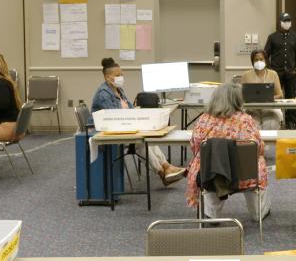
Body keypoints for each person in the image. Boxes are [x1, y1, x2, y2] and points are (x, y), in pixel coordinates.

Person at [91, 58, 184, 186]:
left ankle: (166, 167)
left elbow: (130, 109)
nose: (121, 77)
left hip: (121, 129)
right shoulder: (104, 94)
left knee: (147, 138)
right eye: (118, 75)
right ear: (108, 77)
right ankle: (162, 172)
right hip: (106, 133)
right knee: (140, 142)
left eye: (121, 74)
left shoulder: (119, 91)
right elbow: (114, 117)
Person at [186, 83, 270, 219]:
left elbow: (195, 146)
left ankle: (211, 214)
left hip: (213, 175)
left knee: (207, 164)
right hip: (246, 175)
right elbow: (258, 148)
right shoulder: (246, 120)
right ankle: (258, 212)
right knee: (258, 161)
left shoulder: (204, 119)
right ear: (237, 100)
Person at [240, 49, 284, 130]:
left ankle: (269, 142)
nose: (259, 62)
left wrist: (270, 98)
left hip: (270, 108)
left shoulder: (273, 74)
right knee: (253, 125)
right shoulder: (246, 75)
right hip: (252, 109)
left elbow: (280, 95)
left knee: (270, 124)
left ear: (266, 61)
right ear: (252, 62)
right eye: (256, 60)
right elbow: (240, 95)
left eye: (261, 59)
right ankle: (256, 142)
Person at [264, 12, 296, 100]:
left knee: (291, 99)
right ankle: (276, 114)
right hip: (276, 74)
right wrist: (270, 69)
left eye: (289, 21)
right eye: (285, 21)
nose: (287, 23)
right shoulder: (272, 37)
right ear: (280, 22)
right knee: (275, 97)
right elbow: (265, 55)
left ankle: (290, 114)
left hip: (291, 74)